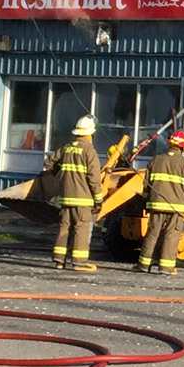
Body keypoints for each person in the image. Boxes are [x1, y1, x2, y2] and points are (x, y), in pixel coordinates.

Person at [47, 114, 105, 271]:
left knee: (64, 227)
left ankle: (59, 260)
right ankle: (78, 262)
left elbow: (49, 164)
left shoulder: (66, 148)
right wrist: (98, 199)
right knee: (81, 227)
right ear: (90, 133)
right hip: (83, 199)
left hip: (66, 197)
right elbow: (94, 178)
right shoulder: (89, 151)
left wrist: (59, 175)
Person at [138, 131, 184, 275]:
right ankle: (166, 267)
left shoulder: (155, 160)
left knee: (152, 233)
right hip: (176, 207)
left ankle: (144, 264)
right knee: (172, 235)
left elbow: (146, 185)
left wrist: (146, 199)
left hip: (156, 204)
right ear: (183, 147)